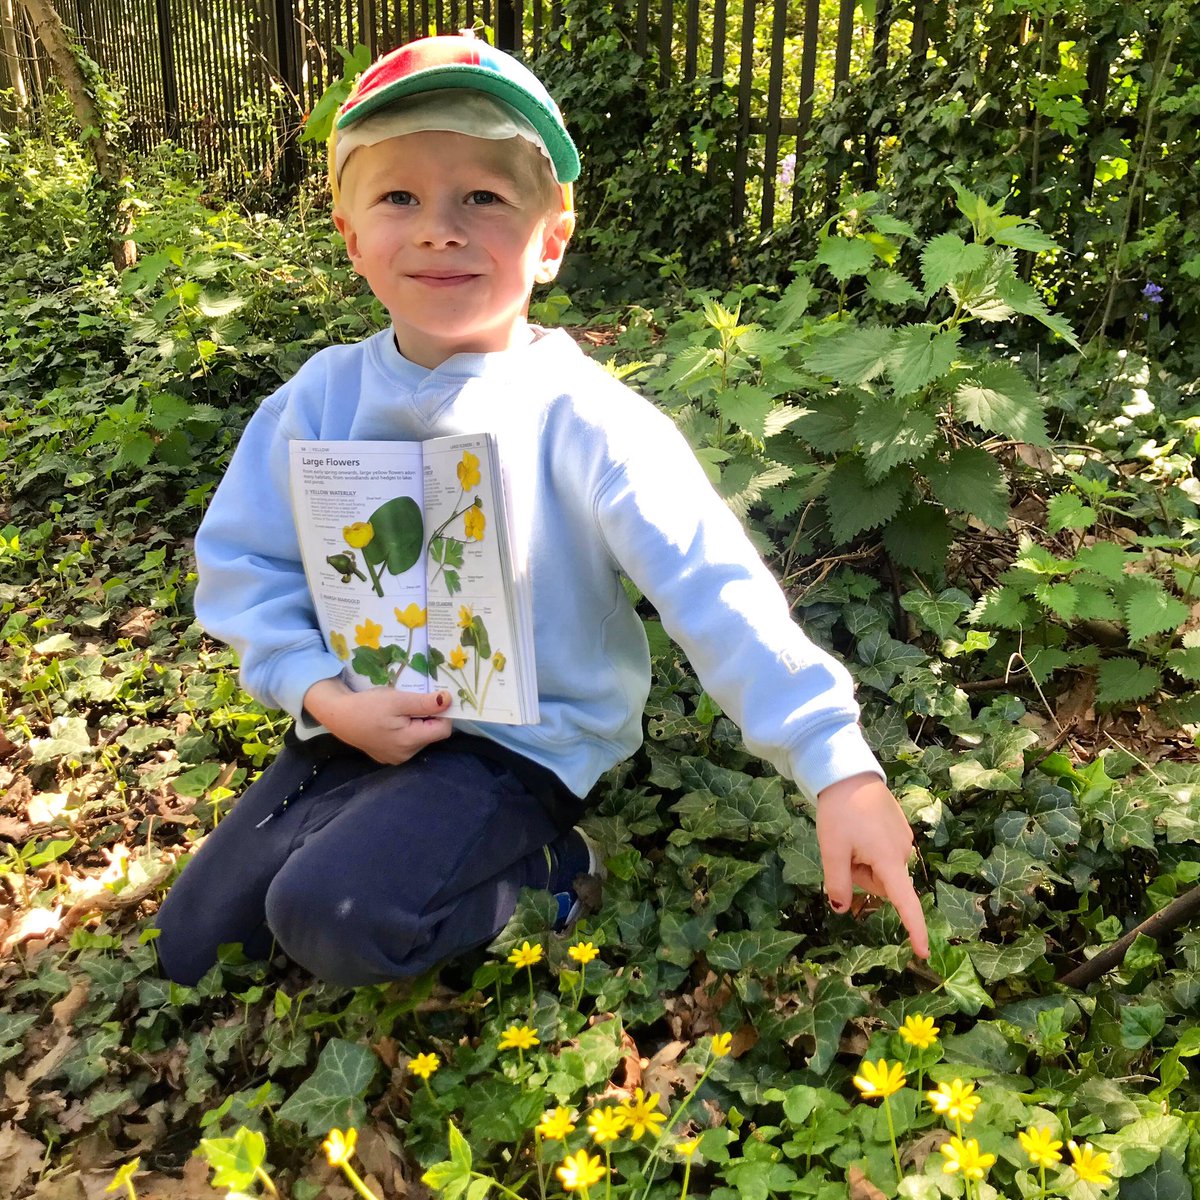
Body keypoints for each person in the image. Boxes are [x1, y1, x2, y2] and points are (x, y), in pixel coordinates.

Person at [154, 34, 929, 987]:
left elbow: (714, 584)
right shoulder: (313, 403)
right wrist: (323, 697)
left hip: (520, 748)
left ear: (551, 238)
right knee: (198, 947)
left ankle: (555, 870)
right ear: (352, 236)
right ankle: (362, 822)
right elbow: (247, 567)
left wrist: (837, 765)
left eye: (482, 196)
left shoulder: (589, 420)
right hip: (359, 716)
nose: (440, 228)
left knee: (332, 919)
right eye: (399, 197)